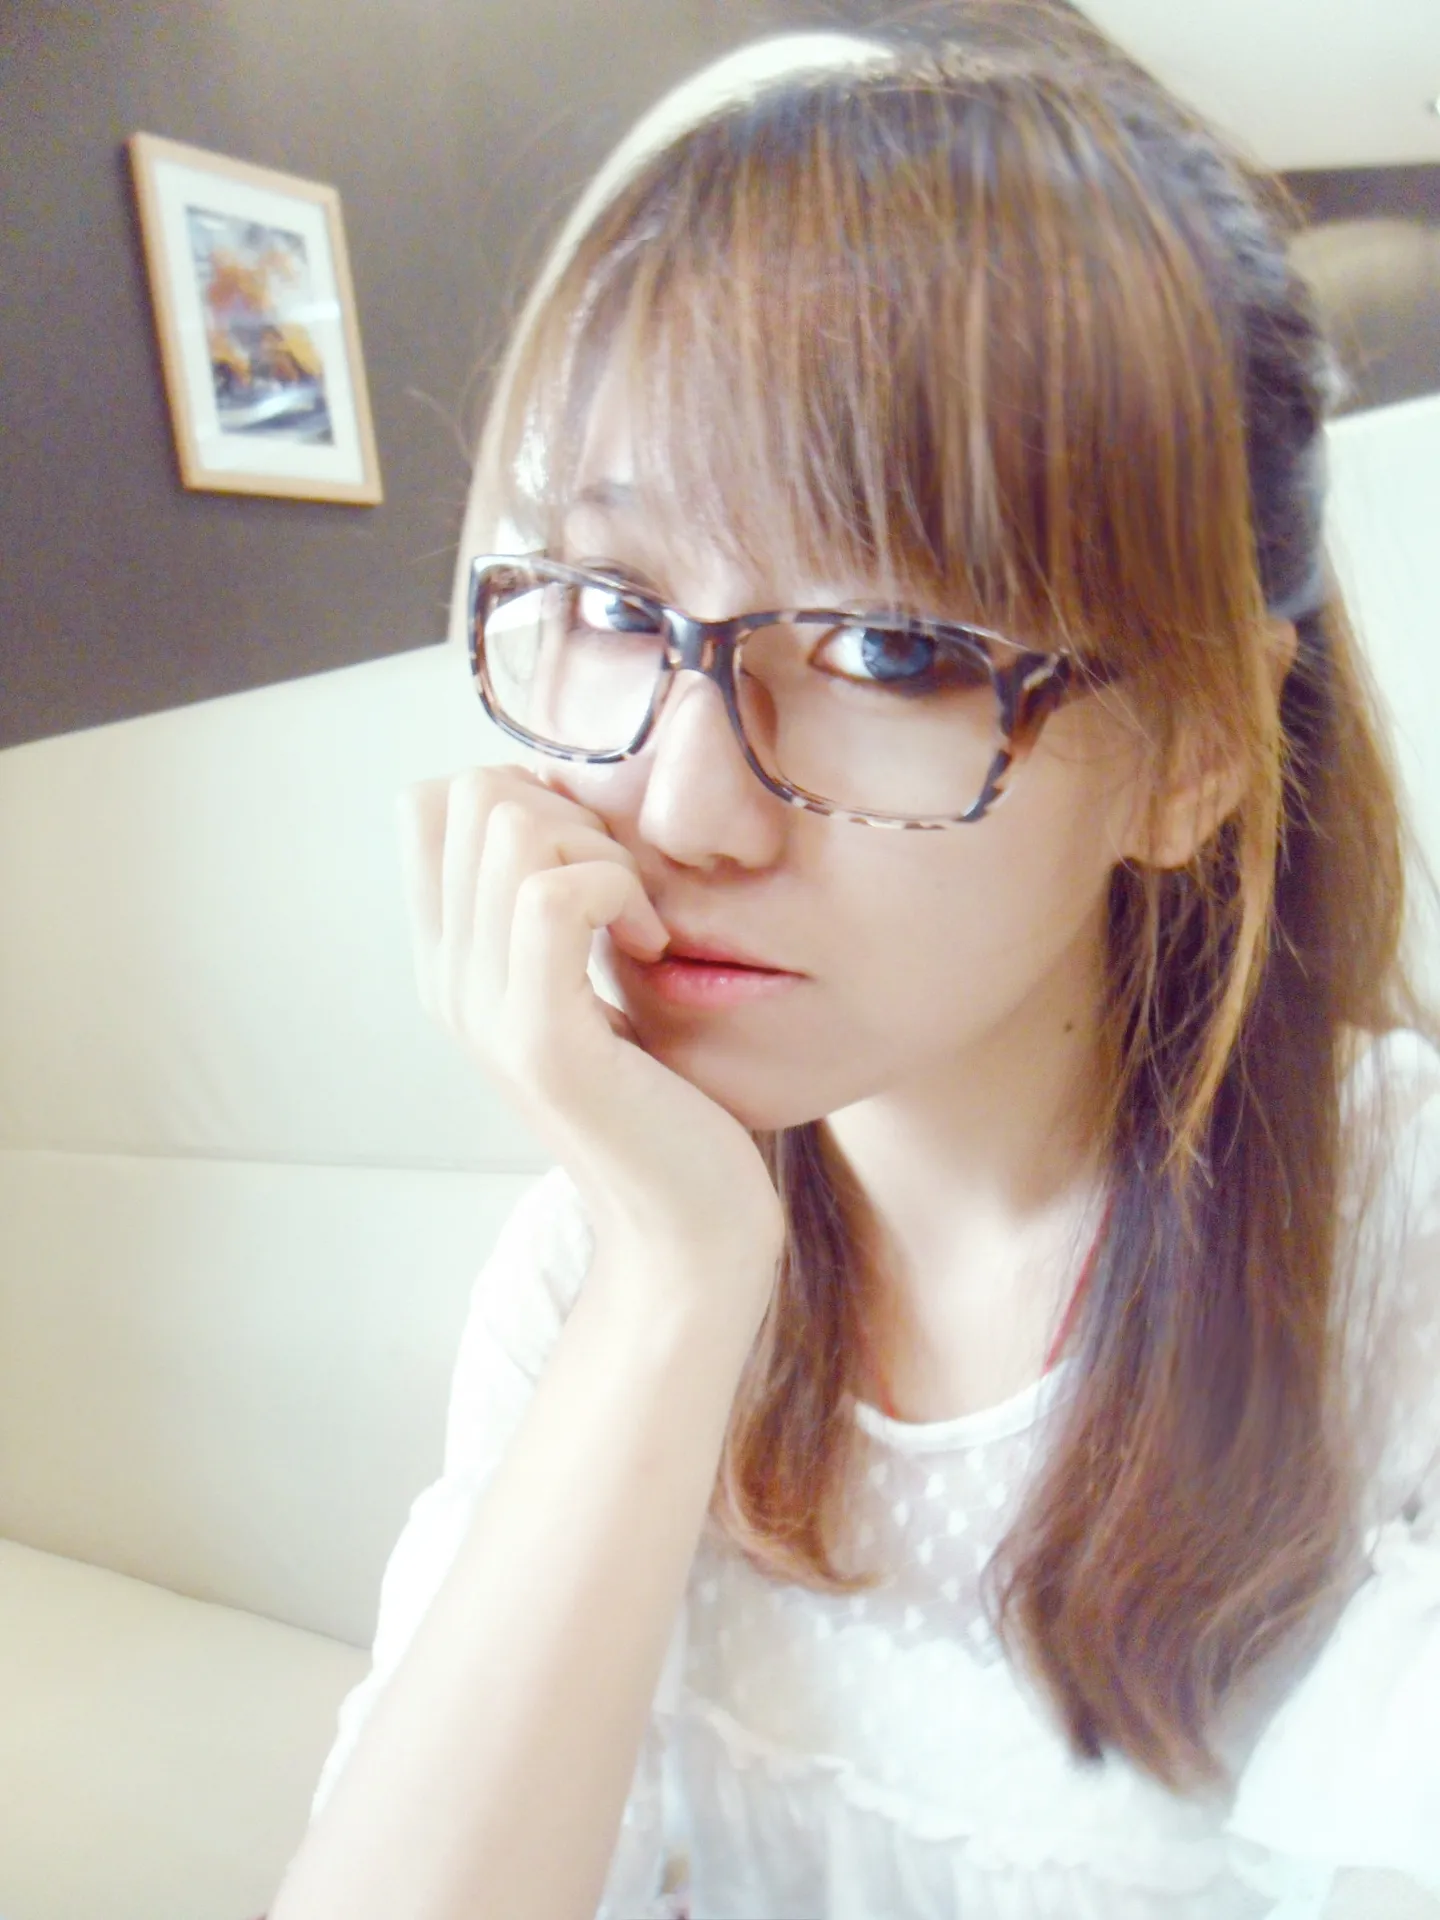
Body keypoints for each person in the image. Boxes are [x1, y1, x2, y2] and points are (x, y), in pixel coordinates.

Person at [269, 6, 1440, 1917]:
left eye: (895, 650)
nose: (687, 806)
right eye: (610, 600)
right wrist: (675, 1279)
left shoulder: (1400, 1254)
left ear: (1194, 752)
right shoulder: (597, 1240)